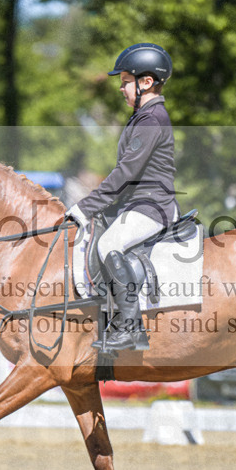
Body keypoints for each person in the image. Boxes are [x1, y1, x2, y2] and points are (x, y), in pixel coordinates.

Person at [65, 43, 180, 352]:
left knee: (108, 244)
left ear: (147, 82)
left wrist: (84, 208)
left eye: (126, 81)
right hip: (138, 204)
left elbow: (126, 173)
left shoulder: (151, 119)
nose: (121, 88)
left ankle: (130, 327)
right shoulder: (142, 117)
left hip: (152, 206)